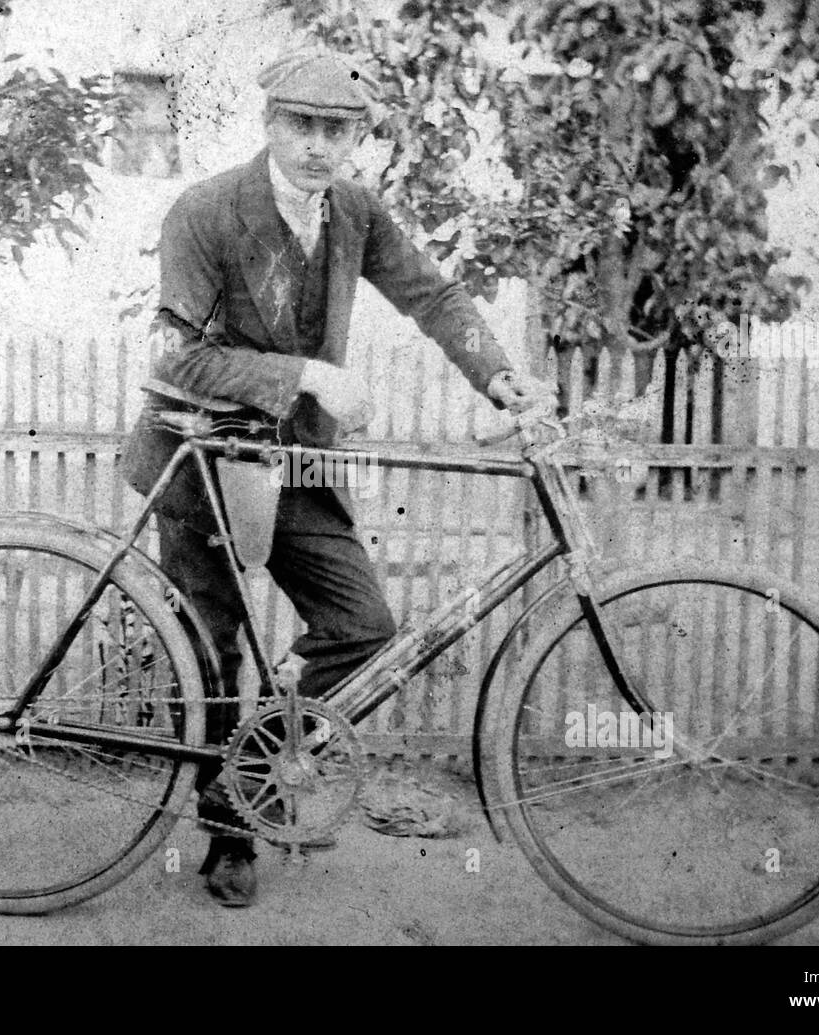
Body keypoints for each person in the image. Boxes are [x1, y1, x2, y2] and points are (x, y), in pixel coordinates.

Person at [120, 47, 553, 907]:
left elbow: (434, 297)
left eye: (337, 130)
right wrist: (307, 376)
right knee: (210, 654)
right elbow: (173, 358)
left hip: (297, 467)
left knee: (364, 625)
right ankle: (230, 839)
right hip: (203, 461)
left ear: (355, 137)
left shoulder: (355, 211)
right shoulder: (206, 212)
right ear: (270, 124)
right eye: (303, 125)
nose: (319, 145)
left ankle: (250, 770)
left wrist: (499, 376)